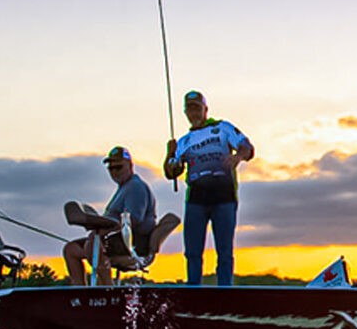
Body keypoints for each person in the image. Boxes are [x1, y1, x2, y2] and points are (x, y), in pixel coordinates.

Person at [164, 91, 254, 286]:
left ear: (206, 109)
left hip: (224, 196)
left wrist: (237, 157)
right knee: (192, 252)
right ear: (185, 112)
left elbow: (247, 147)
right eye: (190, 109)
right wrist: (169, 155)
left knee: (224, 251)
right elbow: (172, 172)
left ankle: (224, 290)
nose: (194, 113)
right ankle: (194, 291)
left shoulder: (222, 128)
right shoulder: (184, 141)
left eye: (197, 108)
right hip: (196, 199)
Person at [63, 146, 157, 285]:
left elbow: (133, 220)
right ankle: (79, 293)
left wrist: (103, 231)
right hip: (113, 239)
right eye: (111, 168)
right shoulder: (123, 188)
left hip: (134, 242)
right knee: (71, 249)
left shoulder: (136, 187)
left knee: (93, 242)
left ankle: (108, 288)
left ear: (130, 166)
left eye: (118, 167)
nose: (114, 172)